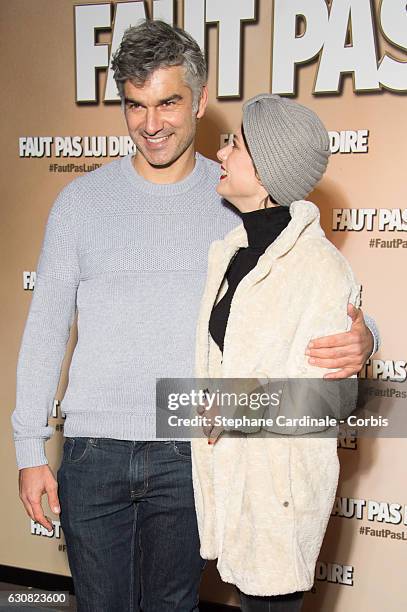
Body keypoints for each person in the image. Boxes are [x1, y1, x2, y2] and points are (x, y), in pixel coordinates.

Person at [12, 20, 378, 612]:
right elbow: (46, 327)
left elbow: (313, 281)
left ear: (200, 100)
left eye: (168, 102)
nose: (151, 124)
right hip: (92, 453)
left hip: (191, 450)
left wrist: (366, 339)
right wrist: (30, 450)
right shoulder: (80, 203)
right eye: (135, 105)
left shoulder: (239, 194)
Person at [191, 94, 362, 611]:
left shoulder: (320, 269)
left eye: (236, 145)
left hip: (279, 498)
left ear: (265, 173)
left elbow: (324, 404)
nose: (221, 154)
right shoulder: (230, 252)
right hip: (235, 483)